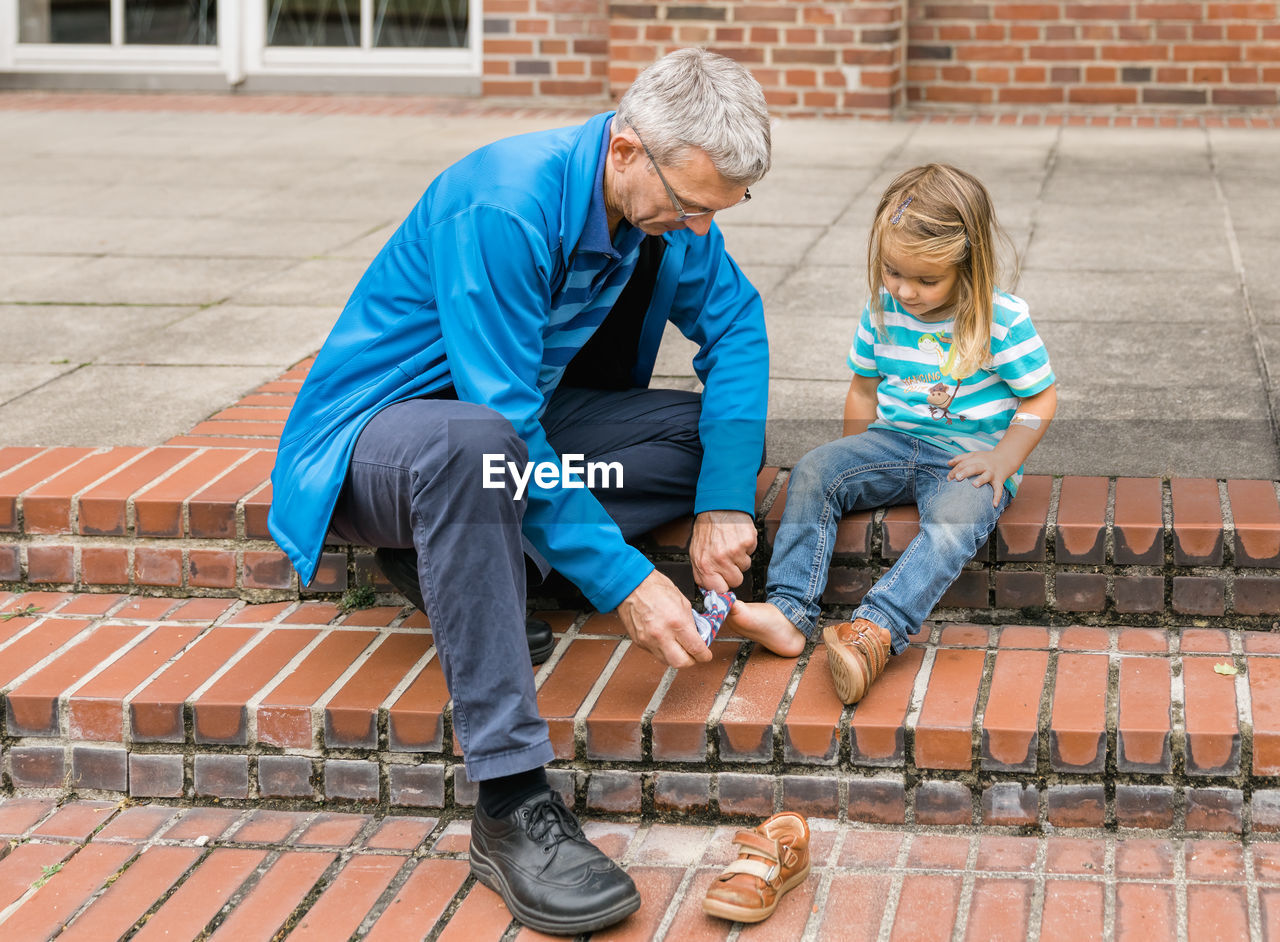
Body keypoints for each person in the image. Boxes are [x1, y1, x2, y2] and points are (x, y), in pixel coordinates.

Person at [267, 48, 771, 935]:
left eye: (714, 211)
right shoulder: (505, 201)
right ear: (625, 150)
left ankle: (475, 562)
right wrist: (623, 578)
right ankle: (508, 803)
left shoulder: (661, 217)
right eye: (689, 206)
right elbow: (499, 417)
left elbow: (738, 325)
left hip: (502, 443)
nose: (697, 230)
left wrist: (726, 501)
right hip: (377, 447)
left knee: (706, 439)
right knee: (479, 447)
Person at [728, 163, 1057, 704]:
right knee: (814, 469)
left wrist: (1005, 458)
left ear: (967, 267)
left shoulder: (1002, 319)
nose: (905, 290)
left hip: (966, 458)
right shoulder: (883, 309)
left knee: (954, 522)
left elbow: (1041, 396)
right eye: (892, 272)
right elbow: (863, 387)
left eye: (927, 280)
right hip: (892, 441)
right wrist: (850, 452)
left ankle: (874, 632)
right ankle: (788, 610)